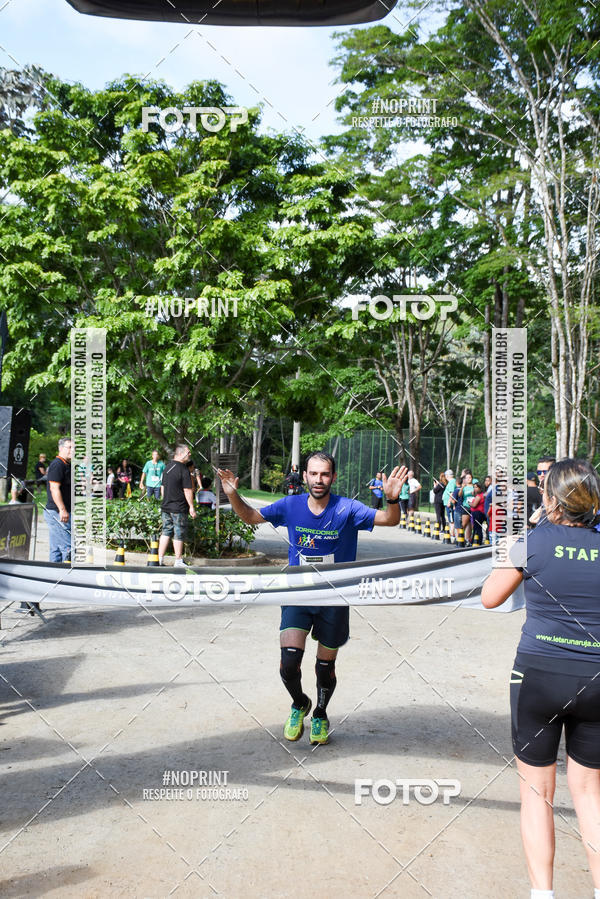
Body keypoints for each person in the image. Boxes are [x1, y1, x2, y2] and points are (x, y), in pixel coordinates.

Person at [217, 452, 408, 746]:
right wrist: (232, 493)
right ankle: (299, 703)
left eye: (325, 474)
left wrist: (392, 500)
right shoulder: (291, 505)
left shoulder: (347, 509)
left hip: (334, 598)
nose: (319, 480)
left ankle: (320, 713)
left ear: (333, 477)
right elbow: (252, 517)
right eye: (314, 474)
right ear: (304, 475)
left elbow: (388, 519)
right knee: (288, 662)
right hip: (299, 594)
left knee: (324, 667)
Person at [481, 459, 600, 899]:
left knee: (536, 793)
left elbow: (490, 598)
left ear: (549, 498)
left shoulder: (531, 541)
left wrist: (519, 542)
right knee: (589, 794)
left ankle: (542, 895)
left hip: (539, 675)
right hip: (596, 678)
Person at [158, 445, 197, 566]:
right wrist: (191, 506)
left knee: (166, 531)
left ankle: (159, 559)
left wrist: (166, 500)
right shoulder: (184, 469)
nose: (190, 454)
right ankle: (178, 560)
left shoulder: (167, 467)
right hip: (179, 508)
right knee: (178, 532)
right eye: (188, 452)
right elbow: (187, 490)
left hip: (166, 506)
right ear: (180, 454)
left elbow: (163, 488)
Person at [44, 437, 73, 563]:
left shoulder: (67, 465)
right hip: (57, 513)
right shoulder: (57, 464)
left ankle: (54, 575)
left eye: (74, 447)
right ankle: (69, 578)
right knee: (69, 547)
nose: (73, 450)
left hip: (61, 512)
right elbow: (54, 489)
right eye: (70, 447)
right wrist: (62, 510)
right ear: (61, 448)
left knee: (55, 549)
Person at [529, 456, 556, 526]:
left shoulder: (558, 492)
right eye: (539, 472)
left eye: (545, 472)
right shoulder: (542, 490)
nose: (542, 475)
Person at [459, 470, 474, 545]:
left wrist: (474, 492)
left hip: (474, 507)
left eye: (470, 478)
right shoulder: (464, 486)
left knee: (470, 525)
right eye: (467, 478)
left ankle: (468, 539)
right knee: (464, 524)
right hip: (466, 506)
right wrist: (462, 488)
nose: (469, 479)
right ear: (465, 479)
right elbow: (460, 495)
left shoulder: (474, 486)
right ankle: (460, 538)